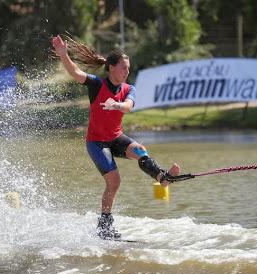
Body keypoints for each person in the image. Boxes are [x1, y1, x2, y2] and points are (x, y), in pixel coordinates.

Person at [52, 35, 180, 240]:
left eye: (128, 69)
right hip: (96, 142)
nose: (127, 72)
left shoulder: (129, 89)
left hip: (116, 137)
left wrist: (117, 105)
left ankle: (162, 178)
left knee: (140, 150)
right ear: (111, 68)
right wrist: (63, 54)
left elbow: (128, 106)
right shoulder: (96, 85)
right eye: (123, 68)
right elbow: (76, 73)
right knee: (114, 182)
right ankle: (104, 227)